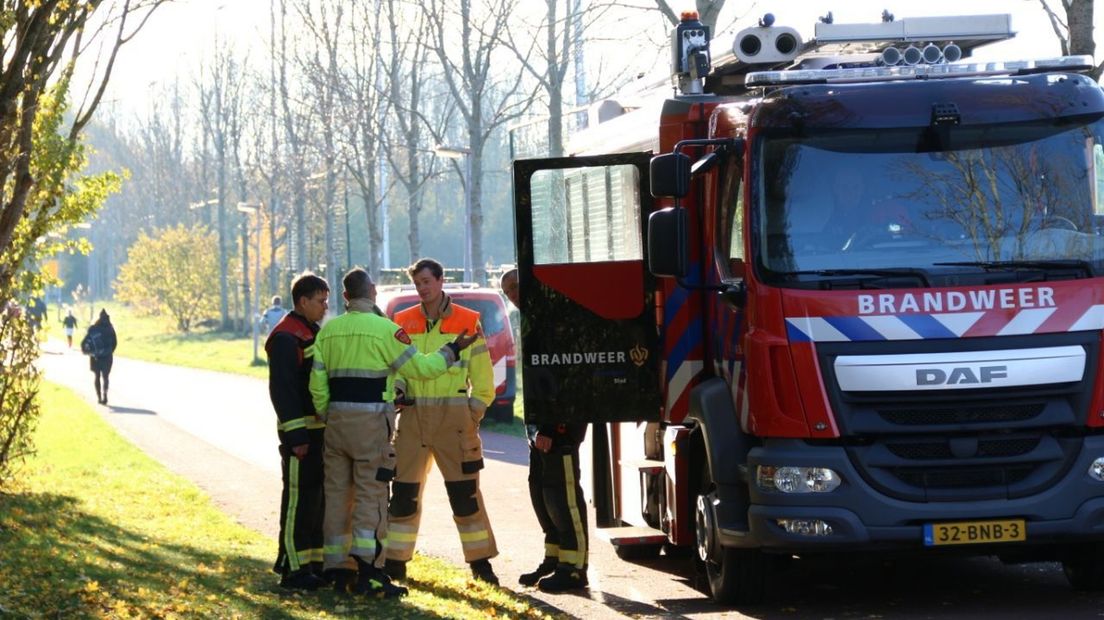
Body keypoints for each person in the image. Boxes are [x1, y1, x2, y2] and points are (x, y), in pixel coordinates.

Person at [310, 267, 478, 598]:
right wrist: (453, 349)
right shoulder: (387, 330)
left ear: (345, 297)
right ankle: (370, 574)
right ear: (372, 292)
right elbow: (424, 369)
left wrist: (331, 413)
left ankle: (338, 570)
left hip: (336, 427)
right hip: (371, 428)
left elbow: (317, 384)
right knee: (371, 497)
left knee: (338, 495)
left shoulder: (327, 333)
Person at [385, 258, 499, 585]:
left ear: (440, 280)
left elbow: (484, 384)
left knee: (465, 497)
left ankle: (481, 564)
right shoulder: (402, 322)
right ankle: (395, 563)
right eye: (418, 283)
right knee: (404, 495)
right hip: (414, 419)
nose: (422, 288)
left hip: (454, 422)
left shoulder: (467, 322)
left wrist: (469, 417)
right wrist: (399, 391)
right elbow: (399, 372)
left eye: (427, 281)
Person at [501, 268, 590, 592]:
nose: (511, 294)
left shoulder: (554, 319)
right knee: (541, 493)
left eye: (514, 286)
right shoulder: (532, 319)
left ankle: (575, 567)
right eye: (506, 291)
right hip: (540, 425)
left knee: (563, 496)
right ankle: (554, 558)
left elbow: (564, 377)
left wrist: (553, 426)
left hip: (560, 425)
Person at [264, 273, 330, 592]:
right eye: (321, 301)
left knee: (315, 500)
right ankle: (292, 567)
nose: (326, 307)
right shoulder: (286, 337)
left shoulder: (308, 331)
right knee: (297, 502)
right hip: (300, 436)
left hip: (318, 433)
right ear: (303, 302)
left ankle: (312, 564)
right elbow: (284, 390)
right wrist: (297, 436)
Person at [81, 309, 117, 405]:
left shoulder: (93, 328)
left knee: (97, 376)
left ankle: (99, 396)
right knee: (105, 377)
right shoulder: (110, 328)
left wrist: (89, 352)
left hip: (95, 357)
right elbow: (115, 343)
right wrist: (109, 352)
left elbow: (85, 342)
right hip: (107, 356)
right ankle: (105, 395)